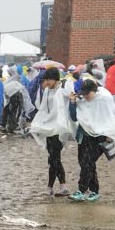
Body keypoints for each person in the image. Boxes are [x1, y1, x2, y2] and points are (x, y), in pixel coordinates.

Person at [68, 78, 115, 202]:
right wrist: (72, 102)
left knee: (87, 162)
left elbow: (111, 117)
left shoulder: (104, 98)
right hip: (84, 136)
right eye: (84, 93)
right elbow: (74, 117)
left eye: (88, 93)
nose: (86, 96)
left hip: (99, 137)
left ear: (94, 90)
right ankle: (95, 191)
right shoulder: (81, 100)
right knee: (86, 163)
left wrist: (110, 135)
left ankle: (81, 190)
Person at [29, 67, 73, 195]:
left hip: (59, 128)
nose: (46, 82)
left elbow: (71, 95)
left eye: (49, 80)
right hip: (49, 128)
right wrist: (38, 124)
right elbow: (43, 109)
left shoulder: (63, 89)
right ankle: (52, 186)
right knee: (52, 158)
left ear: (56, 79)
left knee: (55, 157)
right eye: (45, 80)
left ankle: (60, 185)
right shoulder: (47, 91)